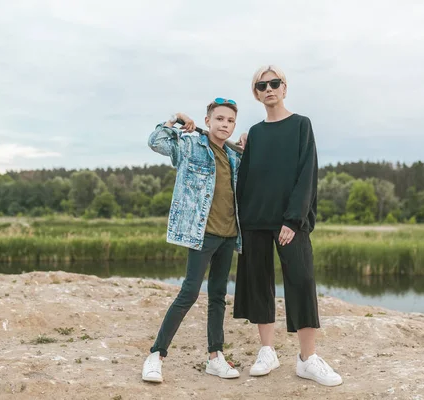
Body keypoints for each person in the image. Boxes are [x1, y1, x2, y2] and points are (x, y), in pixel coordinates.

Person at [233, 65, 343, 387]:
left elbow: (307, 173)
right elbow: (248, 176)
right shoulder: (253, 133)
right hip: (255, 219)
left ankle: (307, 359)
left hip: (289, 223)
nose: (269, 88)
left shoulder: (300, 125)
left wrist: (293, 220)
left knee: (302, 280)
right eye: (262, 85)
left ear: (284, 87)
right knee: (259, 283)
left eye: (274, 83)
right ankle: (267, 351)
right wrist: (242, 219)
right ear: (256, 93)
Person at [142, 98, 243, 383]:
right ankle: (156, 355)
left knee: (218, 297)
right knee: (188, 293)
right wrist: (174, 119)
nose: (224, 124)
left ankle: (215, 357)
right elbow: (156, 142)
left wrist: (247, 143)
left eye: (230, 121)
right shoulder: (190, 146)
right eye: (219, 119)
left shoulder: (235, 157)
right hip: (202, 235)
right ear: (207, 121)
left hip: (229, 236)